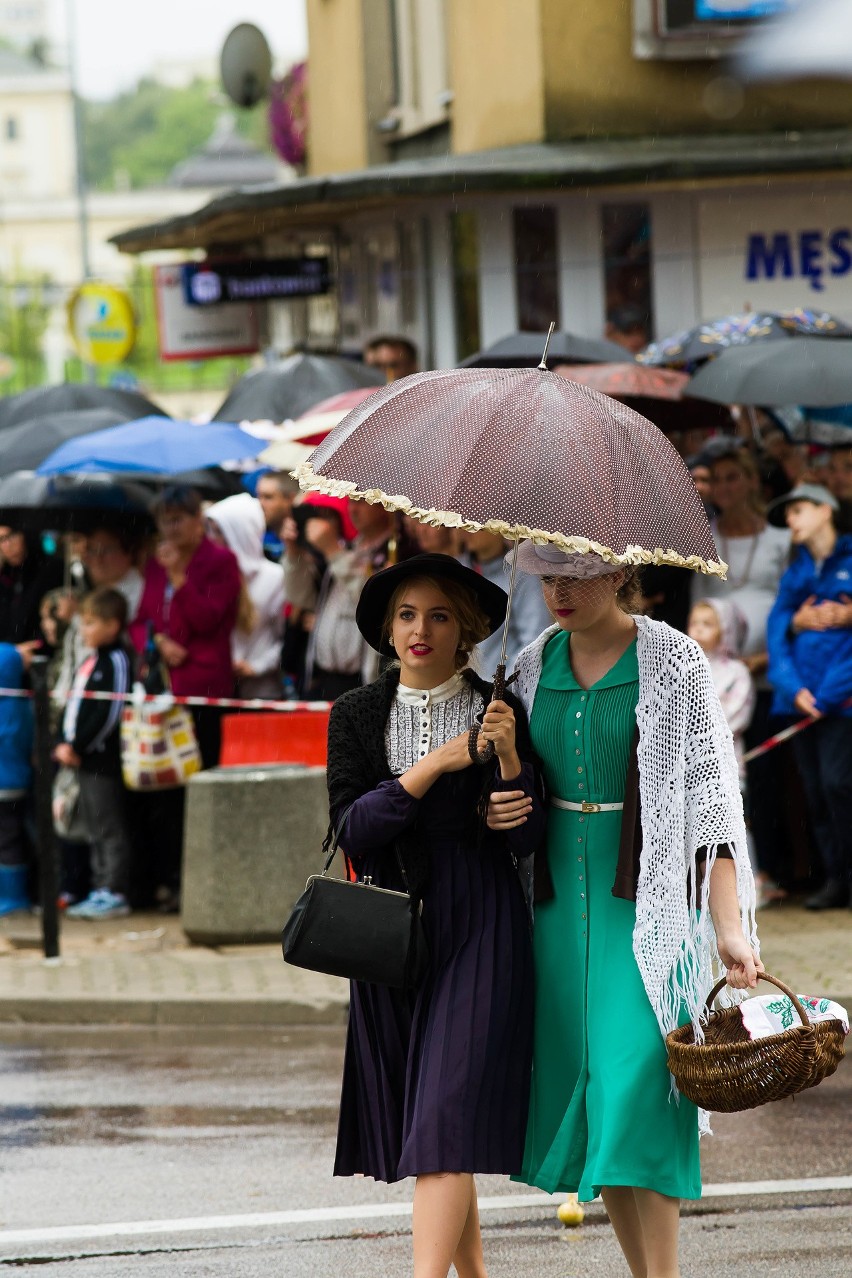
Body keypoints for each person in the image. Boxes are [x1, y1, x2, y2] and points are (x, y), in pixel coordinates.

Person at [488, 542, 760, 1278]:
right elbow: (513, 793)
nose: (559, 593)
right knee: (594, 1108)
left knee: (638, 1086)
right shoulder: (525, 664)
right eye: (549, 578)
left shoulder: (673, 661)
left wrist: (729, 928)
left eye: (576, 576)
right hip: (549, 912)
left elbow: (711, 807)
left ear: (620, 573)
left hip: (647, 910)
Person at [326, 553, 542, 1278]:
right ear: (388, 630)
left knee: (445, 1118)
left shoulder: (500, 708)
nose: (422, 629)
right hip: (390, 936)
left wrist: (510, 768)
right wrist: (433, 768)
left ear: (469, 629)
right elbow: (352, 830)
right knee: (431, 1128)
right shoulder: (355, 714)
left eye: (440, 615)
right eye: (408, 614)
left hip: (480, 924)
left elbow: (529, 835)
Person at [697, 443, 792, 904]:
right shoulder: (704, 536)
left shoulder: (778, 539)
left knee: (770, 773)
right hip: (718, 675)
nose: (726, 487)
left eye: (735, 476)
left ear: (752, 481)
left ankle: (776, 867)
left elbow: (789, 601)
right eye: (717, 479)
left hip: (770, 674)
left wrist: (767, 657)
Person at [766, 483, 852, 910]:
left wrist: (827, 694)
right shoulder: (796, 571)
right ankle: (835, 880)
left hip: (840, 706)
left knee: (840, 785)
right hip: (801, 705)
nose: (790, 521)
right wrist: (793, 688)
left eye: (798, 510)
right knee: (816, 792)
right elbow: (776, 632)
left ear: (826, 509)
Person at [132, 485, 241, 764]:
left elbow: (207, 620)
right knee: (163, 770)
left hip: (204, 684)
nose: (170, 528)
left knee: (202, 765)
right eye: (164, 521)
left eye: (178, 519)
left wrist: (179, 577)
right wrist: (157, 642)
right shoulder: (155, 564)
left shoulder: (221, 561)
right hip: (162, 685)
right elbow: (141, 621)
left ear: (198, 519)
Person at [57, 588, 134, 921]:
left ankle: (113, 889)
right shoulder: (90, 661)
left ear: (113, 626)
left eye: (90, 623)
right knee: (92, 825)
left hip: (101, 761)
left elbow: (109, 712)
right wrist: (63, 741)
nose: (84, 630)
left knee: (108, 825)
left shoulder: (116, 660)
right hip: (83, 760)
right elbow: (73, 706)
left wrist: (79, 746)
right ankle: (98, 885)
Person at [302, 498, 395, 699]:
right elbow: (300, 598)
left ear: (384, 506)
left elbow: (374, 601)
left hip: (360, 680)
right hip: (324, 677)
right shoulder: (352, 547)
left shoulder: (395, 549)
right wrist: (294, 553)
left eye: (362, 501)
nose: (353, 508)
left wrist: (333, 551)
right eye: (351, 501)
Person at [206, 493, 286, 700]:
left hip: (261, 693)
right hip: (216, 689)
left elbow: (284, 638)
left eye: (219, 532)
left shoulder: (274, 577)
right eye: (210, 531)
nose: (212, 539)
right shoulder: (209, 576)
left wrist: (257, 666)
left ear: (240, 533)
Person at [460, 529, 552, 674]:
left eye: (479, 524)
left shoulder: (521, 574)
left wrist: (502, 684)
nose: (468, 529)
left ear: (500, 528)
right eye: (465, 522)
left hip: (498, 689)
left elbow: (534, 640)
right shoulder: (456, 570)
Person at [687, 598, 755, 784]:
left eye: (707, 624)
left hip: (723, 762)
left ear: (726, 630)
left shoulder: (736, 672)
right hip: (687, 764)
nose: (698, 629)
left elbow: (737, 716)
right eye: (694, 623)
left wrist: (701, 736)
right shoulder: (683, 668)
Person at [0, 643, 34, 916]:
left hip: (5, 786)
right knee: (10, 840)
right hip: (17, 783)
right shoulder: (23, 704)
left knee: (7, 841)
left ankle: (13, 897)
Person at [0, 527, 63, 643]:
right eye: (1, 540)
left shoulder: (52, 570)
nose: (7, 545)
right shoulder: (6, 575)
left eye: (12, 536)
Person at [256, 471, 301, 557]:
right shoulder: (257, 533)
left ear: (291, 499)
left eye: (268, 497)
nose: (260, 503)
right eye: (258, 496)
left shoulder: (307, 536)